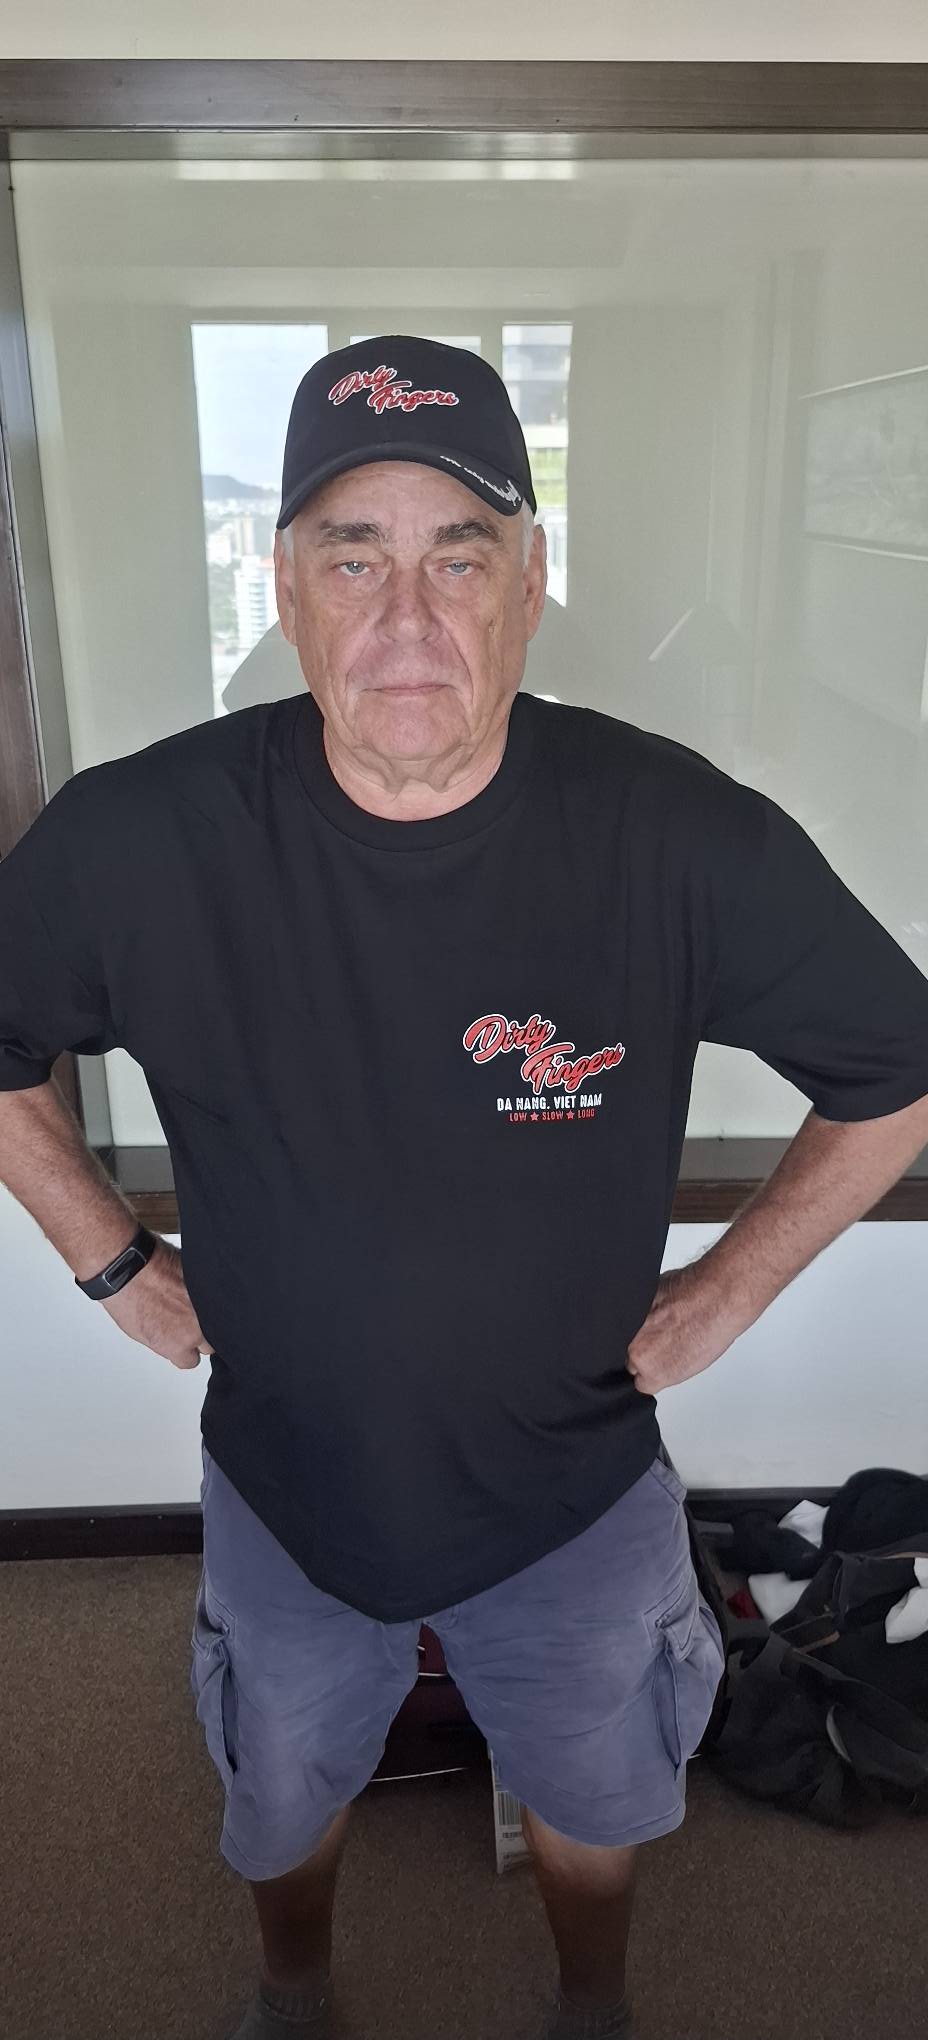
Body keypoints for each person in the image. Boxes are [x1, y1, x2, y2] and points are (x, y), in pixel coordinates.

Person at [2, 335, 928, 2040]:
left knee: (603, 1796)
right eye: (355, 558)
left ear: (530, 585)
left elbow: (898, 1069)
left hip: (576, 1488)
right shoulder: (142, 842)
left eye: (461, 556)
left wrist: (727, 1291)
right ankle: (294, 1995)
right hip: (287, 1481)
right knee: (280, 1790)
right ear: (287, 589)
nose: (409, 619)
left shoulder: (672, 833)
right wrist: (108, 1257)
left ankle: (591, 2006)